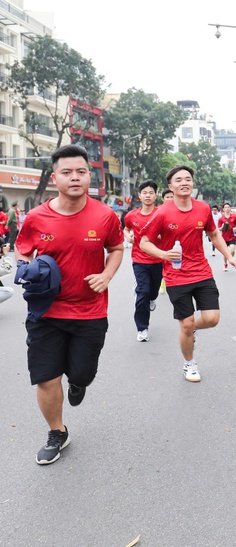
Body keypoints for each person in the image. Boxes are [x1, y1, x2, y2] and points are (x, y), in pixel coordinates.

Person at [14, 144, 124, 465]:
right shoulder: (36, 217)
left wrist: (106, 275)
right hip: (45, 311)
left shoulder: (105, 216)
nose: (74, 177)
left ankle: (78, 382)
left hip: (90, 312)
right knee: (46, 377)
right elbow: (22, 250)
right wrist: (27, 269)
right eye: (67, 172)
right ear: (55, 178)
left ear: (89, 176)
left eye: (81, 171)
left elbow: (116, 249)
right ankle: (57, 432)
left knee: (82, 374)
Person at [140, 165, 236, 383]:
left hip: (202, 272)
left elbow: (214, 234)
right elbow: (144, 242)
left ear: (192, 184)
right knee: (185, 324)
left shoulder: (203, 209)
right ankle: (190, 363)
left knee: (212, 319)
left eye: (187, 179)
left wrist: (229, 257)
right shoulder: (162, 212)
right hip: (176, 275)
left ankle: (190, 330)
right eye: (178, 180)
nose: (184, 183)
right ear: (170, 187)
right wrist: (164, 255)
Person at [123, 180, 164, 342]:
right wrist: (128, 236)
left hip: (158, 259)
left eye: (151, 193)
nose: (148, 195)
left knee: (153, 292)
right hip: (139, 259)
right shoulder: (131, 216)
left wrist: (161, 237)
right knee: (143, 292)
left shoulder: (161, 214)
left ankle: (152, 298)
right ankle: (142, 328)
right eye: (145, 193)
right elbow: (126, 228)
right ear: (139, 196)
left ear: (155, 195)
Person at [218, 202, 236, 272]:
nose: (227, 208)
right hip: (224, 238)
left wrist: (235, 229)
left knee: (232, 250)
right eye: (226, 207)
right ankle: (225, 263)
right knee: (225, 253)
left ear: (230, 208)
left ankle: (231, 260)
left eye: (228, 207)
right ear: (223, 209)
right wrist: (222, 227)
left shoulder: (234, 217)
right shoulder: (221, 219)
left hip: (232, 237)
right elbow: (219, 229)